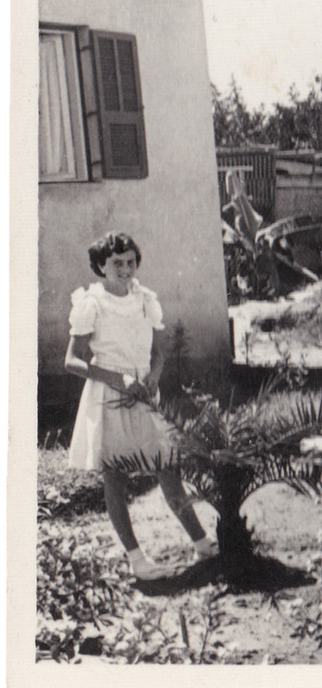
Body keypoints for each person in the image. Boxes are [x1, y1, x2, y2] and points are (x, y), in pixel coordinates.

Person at [64, 232, 217, 580]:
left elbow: (157, 353)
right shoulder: (92, 303)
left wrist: (154, 375)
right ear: (101, 265)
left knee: (166, 466)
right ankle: (136, 557)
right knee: (115, 476)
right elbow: (71, 361)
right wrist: (118, 379)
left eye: (131, 261)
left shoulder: (144, 299)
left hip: (144, 394)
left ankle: (202, 541)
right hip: (108, 395)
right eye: (117, 262)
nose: (125, 268)